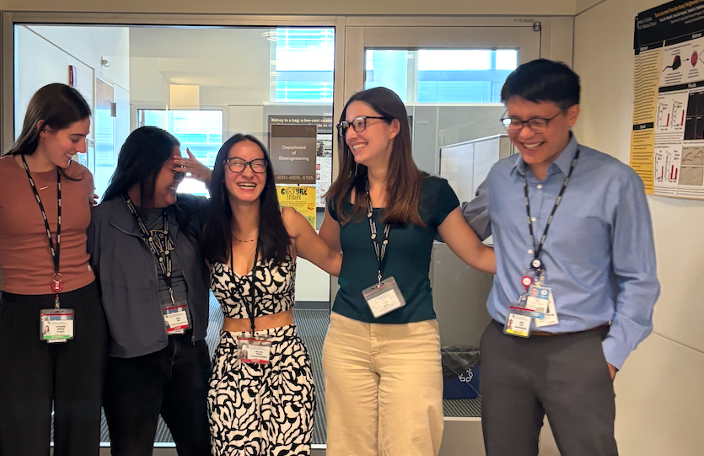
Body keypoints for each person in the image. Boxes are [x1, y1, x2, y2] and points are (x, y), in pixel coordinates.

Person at [461, 58, 660, 456]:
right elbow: (464, 227)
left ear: (572, 114)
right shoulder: (501, 177)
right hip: (505, 343)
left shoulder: (615, 182)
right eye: (514, 120)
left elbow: (639, 279)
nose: (524, 133)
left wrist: (609, 357)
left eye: (537, 121)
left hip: (578, 348)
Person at [318, 87, 496, 456]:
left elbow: (477, 255)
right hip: (347, 337)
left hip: (410, 340)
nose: (351, 133)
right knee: (348, 445)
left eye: (362, 122)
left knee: (411, 443)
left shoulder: (431, 192)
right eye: (347, 126)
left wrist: (546, 265)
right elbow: (328, 252)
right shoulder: (343, 194)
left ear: (394, 127)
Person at [0, 83, 105, 455]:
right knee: (23, 425)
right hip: (22, 311)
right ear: (44, 128)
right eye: (75, 137)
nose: (80, 148)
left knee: (80, 424)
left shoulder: (81, 179)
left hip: (82, 304)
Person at [202, 134, 341, 456]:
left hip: (285, 359)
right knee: (232, 449)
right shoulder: (211, 231)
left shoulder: (287, 222)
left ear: (267, 175)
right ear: (222, 172)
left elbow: (334, 262)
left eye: (257, 164)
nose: (248, 172)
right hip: (232, 362)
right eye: (237, 163)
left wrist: (388, 266)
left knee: (288, 451)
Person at [88, 126, 212, 455]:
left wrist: (207, 176)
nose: (179, 178)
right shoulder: (100, 220)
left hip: (190, 351)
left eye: (182, 171)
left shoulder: (191, 211)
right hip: (130, 359)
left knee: (201, 446)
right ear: (143, 166)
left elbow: (244, 206)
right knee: (131, 450)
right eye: (173, 169)